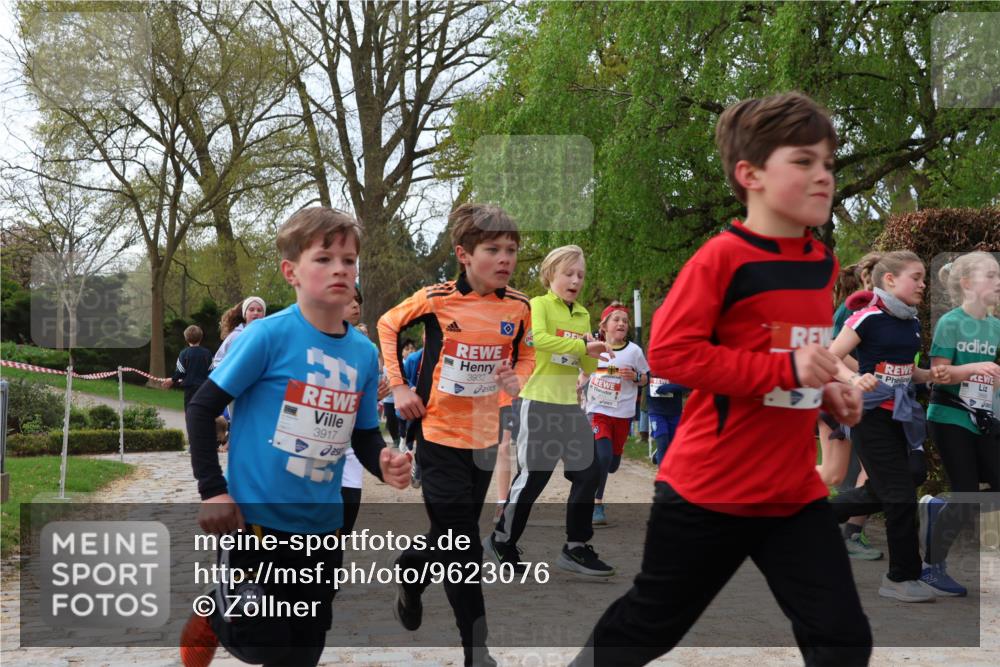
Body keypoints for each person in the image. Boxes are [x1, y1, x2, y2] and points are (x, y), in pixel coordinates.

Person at [572, 92, 872, 666]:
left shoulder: (821, 264)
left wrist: (825, 393)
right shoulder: (722, 259)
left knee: (844, 638)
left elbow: (790, 356)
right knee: (648, 628)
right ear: (750, 174)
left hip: (790, 492)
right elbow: (672, 353)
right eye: (804, 162)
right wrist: (784, 371)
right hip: (710, 489)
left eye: (829, 164)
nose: (823, 176)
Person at [179, 206, 411, 667]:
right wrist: (213, 490)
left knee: (304, 649)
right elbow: (203, 408)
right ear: (292, 272)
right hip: (256, 523)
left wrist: (382, 459)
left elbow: (363, 433)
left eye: (349, 260)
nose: (340, 269)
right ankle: (216, 615)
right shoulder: (267, 336)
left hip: (322, 529)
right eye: (324, 258)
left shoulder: (364, 354)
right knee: (264, 642)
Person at [378, 203, 534, 667]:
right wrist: (401, 386)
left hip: (484, 440)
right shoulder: (436, 298)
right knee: (463, 547)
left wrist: (516, 379)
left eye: (511, 250)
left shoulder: (519, 307)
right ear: (464, 254)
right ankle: (477, 653)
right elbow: (387, 324)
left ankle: (410, 572)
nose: (505, 259)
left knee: (448, 538)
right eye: (493, 249)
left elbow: (525, 356)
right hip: (439, 436)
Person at [484, 244, 616, 578]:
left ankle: (576, 547)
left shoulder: (583, 314)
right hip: (537, 403)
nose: (575, 280)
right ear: (550, 275)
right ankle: (502, 540)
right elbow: (538, 340)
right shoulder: (537, 305)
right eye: (568, 274)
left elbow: (583, 361)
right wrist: (581, 345)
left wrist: (597, 353)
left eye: (581, 275)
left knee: (590, 471)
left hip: (570, 407)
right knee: (533, 478)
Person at [828, 250, 942, 603]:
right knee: (899, 496)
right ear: (890, 279)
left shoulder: (909, 322)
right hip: (869, 416)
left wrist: (931, 376)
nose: (924, 285)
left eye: (924, 278)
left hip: (901, 416)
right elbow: (831, 357)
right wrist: (854, 377)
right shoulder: (866, 317)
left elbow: (906, 372)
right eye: (917, 277)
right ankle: (900, 577)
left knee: (902, 480)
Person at [921, 251, 1000, 596]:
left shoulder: (996, 326)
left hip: (981, 416)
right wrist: (972, 370)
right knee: (968, 492)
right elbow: (939, 375)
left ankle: (938, 508)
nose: (999, 283)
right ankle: (931, 567)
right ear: (968, 283)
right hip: (950, 415)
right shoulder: (950, 322)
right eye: (992, 276)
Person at [585, 302, 649, 526]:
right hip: (598, 411)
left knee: (611, 463)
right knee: (602, 457)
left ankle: (598, 476)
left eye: (625, 320)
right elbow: (582, 372)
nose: (622, 323)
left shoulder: (634, 351)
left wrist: (635, 377)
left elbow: (646, 377)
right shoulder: (593, 348)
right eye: (616, 319)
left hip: (622, 414)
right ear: (604, 326)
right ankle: (597, 504)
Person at [163, 325, 214, 411]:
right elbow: (211, 371)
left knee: (189, 409)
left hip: (189, 388)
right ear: (201, 338)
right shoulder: (207, 353)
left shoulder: (184, 353)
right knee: (202, 409)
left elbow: (180, 371)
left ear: (186, 339)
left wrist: (172, 380)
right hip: (204, 387)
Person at [211, 296, 266, 369]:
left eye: (259, 310)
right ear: (245, 314)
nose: (255, 313)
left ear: (263, 315)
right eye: (251, 310)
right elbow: (217, 361)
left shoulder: (267, 336)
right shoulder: (235, 336)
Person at [647, 373, 688, 466]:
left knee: (672, 445)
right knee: (663, 442)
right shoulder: (649, 364)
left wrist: (671, 387)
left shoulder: (678, 366)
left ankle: (658, 455)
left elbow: (689, 385)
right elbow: (641, 379)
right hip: (656, 410)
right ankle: (662, 477)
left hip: (674, 412)